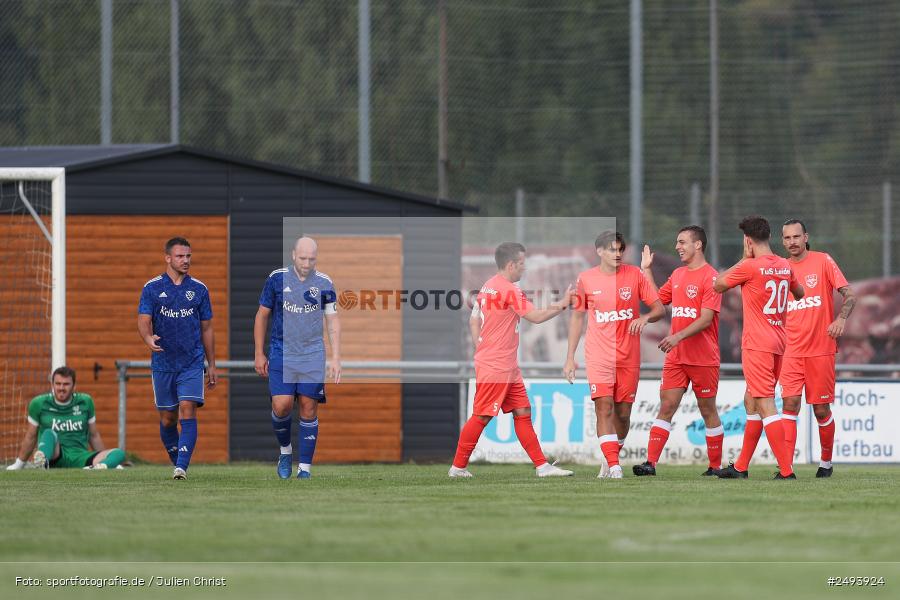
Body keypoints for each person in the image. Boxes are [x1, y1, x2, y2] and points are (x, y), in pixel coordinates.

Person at [450, 242, 575, 478]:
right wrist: (564, 303)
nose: (523, 269)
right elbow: (536, 317)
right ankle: (458, 467)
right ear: (510, 265)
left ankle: (542, 466)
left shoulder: (488, 286)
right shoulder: (509, 289)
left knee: (522, 411)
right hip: (497, 366)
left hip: (505, 365)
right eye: (521, 264)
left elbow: (473, 320)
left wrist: (481, 346)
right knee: (482, 415)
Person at [563, 231, 665, 479]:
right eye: (612, 250)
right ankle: (614, 465)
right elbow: (577, 318)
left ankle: (611, 457)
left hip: (629, 356)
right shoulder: (585, 279)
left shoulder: (634, 275)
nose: (617, 254)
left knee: (622, 414)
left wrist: (645, 317)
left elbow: (659, 309)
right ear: (599, 252)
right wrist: (569, 357)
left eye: (620, 249)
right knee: (604, 408)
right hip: (599, 355)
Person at [713, 216, 804, 479]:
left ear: (748, 241)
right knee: (751, 401)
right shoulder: (785, 265)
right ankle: (741, 467)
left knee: (765, 404)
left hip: (757, 345)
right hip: (778, 341)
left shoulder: (749, 267)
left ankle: (787, 471)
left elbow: (717, 284)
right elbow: (800, 294)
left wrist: (744, 259)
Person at [632, 226, 724, 477]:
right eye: (676, 242)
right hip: (676, 357)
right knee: (666, 406)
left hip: (703, 358)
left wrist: (677, 336)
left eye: (682, 242)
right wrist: (647, 270)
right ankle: (650, 463)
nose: (677, 247)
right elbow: (657, 301)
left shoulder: (711, 277)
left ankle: (715, 467)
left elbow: (706, 319)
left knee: (708, 410)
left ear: (698, 245)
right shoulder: (678, 274)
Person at [255, 237, 341, 480]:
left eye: (311, 259)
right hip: (282, 352)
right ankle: (285, 452)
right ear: (293, 255)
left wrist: (336, 357)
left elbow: (333, 320)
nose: (307, 263)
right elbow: (262, 316)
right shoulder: (276, 278)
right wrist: (259, 352)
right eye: (303, 258)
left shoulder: (324, 283)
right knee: (281, 406)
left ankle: (305, 468)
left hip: (312, 353)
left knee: (308, 407)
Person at [780, 219, 856, 478]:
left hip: (820, 350)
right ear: (782, 241)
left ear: (805, 237)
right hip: (790, 350)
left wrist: (841, 319)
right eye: (787, 238)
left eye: (796, 237)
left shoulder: (823, 261)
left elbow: (850, 294)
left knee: (820, 409)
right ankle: (786, 469)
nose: (792, 242)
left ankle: (825, 463)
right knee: (789, 405)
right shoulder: (781, 268)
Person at [138, 237, 217, 480]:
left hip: (192, 362)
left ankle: (181, 466)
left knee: (187, 409)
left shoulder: (199, 289)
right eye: (181, 256)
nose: (186, 260)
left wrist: (211, 363)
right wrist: (148, 339)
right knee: (168, 417)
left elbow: (207, 328)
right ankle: (177, 459)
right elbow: (143, 320)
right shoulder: (152, 288)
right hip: (163, 364)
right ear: (168, 258)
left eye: (188, 256)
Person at [6, 366, 126, 471]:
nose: (61, 388)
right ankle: (43, 462)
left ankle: (101, 467)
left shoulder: (85, 401)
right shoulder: (39, 403)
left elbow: (94, 435)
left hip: (81, 457)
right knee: (49, 433)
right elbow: (31, 436)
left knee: (119, 453)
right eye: (58, 384)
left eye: (66, 384)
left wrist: (107, 459)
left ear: (74, 385)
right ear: (52, 384)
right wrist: (19, 464)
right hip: (56, 455)